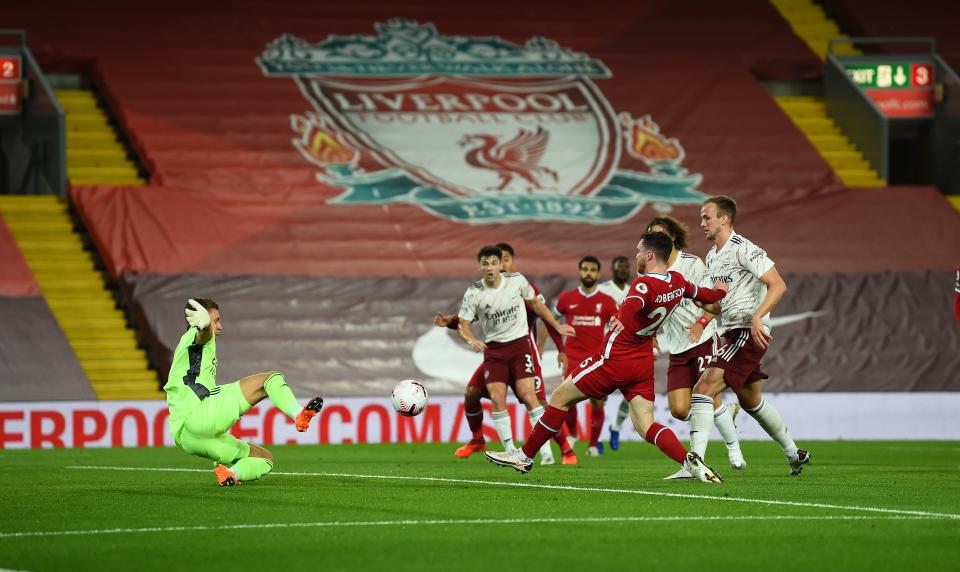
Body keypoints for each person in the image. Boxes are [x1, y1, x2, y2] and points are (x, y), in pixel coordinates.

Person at [485, 232, 726, 483]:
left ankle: (524, 455)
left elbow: (634, 301)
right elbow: (704, 295)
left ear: (650, 255)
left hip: (615, 360)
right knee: (645, 424)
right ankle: (689, 461)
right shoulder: (676, 281)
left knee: (559, 397)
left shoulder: (642, 285)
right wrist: (720, 292)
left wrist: (622, 316)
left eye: (639, 251)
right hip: (641, 363)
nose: (637, 255)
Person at [688, 195, 810, 476]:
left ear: (724, 219)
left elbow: (778, 285)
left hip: (746, 331)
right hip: (729, 331)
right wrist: (691, 296)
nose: (701, 222)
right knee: (751, 401)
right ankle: (794, 453)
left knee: (704, 388)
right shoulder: (712, 257)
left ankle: (695, 461)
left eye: (706, 217)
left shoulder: (744, 249)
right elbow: (716, 305)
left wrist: (757, 317)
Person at [436, 243, 577, 464]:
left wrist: (557, 329)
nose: (492, 267)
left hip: (521, 347)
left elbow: (538, 306)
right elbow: (465, 322)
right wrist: (468, 337)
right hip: (495, 351)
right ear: (480, 266)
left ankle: (553, 451)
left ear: (503, 263)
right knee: (493, 396)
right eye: (486, 263)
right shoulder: (474, 293)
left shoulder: (518, 282)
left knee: (532, 398)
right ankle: (510, 451)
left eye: (496, 262)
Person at [164, 298, 324, 487]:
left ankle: (231, 474)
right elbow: (203, 336)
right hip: (198, 414)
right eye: (215, 321)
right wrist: (205, 326)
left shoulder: (191, 348)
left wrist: (207, 325)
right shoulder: (194, 336)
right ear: (200, 320)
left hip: (187, 439)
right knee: (270, 379)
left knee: (264, 458)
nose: (219, 326)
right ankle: (298, 414)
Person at [642, 216, 746, 477]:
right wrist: (650, 331)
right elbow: (650, 306)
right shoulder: (649, 270)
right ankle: (723, 413)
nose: (657, 239)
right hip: (677, 346)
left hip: (702, 339)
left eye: (661, 234)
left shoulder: (693, 264)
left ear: (673, 237)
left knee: (707, 396)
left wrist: (701, 322)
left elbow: (715, 303)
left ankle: (731, 452)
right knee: (679, 410)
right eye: (652, 235)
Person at [551, 256, 618, 456]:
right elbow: (550, 322)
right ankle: (572, 433)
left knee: (597, 401)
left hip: (596, 359)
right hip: (572, 357)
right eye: (585, 269)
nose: (588, 273)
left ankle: (593, 445)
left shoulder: (607, 302)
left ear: (598, 274)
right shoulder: (566, 298)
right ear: (580, 272)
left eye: (592, 270)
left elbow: (618, 327)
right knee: (567, 398)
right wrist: (559, 350)